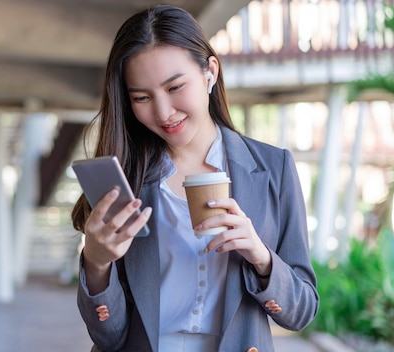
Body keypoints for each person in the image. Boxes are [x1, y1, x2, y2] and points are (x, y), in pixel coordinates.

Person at [71, 5, 319, 352]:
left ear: (210, 72)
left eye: (175, 87)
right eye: (141, 97)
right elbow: (109, 337)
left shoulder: (272, 167)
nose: (163, 112)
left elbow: (302, 311)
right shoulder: (124, 180)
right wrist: (97, 264)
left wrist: (261, 258)